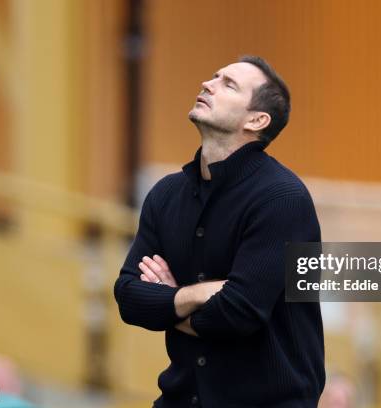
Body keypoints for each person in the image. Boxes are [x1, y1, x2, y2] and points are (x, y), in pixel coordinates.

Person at [114, 55, 325, 407]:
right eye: (214, 76)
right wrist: (193, 295)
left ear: (257, 120)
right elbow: (130, 299)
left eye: (228, 84)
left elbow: (239, 313)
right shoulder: (166, 194)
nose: (207, 84)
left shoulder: (283, 199)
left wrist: (168, 300)